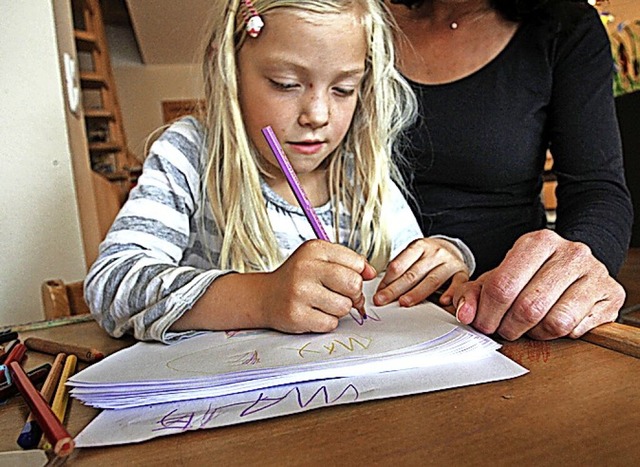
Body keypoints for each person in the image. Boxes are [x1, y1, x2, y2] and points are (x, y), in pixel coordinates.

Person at [84, 0, 475, 343]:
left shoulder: (362, 172)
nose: (317, 115)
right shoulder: (191, 154)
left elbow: (410, 273)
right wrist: (262, 298)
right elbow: (112, 284)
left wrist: (445, 259)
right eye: (285, 84)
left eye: (343, 89)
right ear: (231, 68)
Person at [377, 0, 633, 341]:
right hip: (363, 304)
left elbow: (597, 188)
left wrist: (573, 268)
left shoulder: (564, 28)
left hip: (506, 318)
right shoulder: (350, 16)